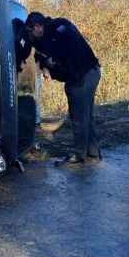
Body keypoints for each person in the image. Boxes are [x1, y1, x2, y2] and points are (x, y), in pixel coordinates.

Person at [25, 12, 101, 166]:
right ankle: (93, 152)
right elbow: (41, 54)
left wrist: (54, 67)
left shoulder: (60, 29)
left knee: (78, 116)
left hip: (82, 75)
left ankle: (79, 155)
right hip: (90, 72)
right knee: (86, 115)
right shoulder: (45, 36)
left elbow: (70, 54)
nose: (30, 35)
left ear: (38, 27)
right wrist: (46, 64)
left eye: (30, 31)